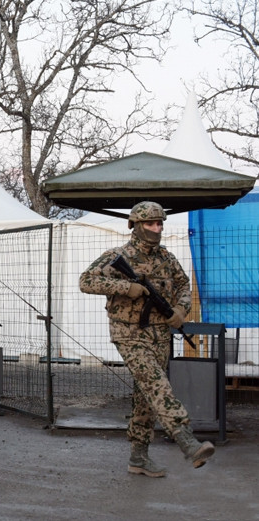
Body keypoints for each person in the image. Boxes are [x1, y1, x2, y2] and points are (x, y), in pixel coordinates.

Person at [80, 201, 215, 477]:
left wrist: (180, 310)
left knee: (145, 396)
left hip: (159, 335)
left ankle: (138, 457)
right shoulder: (119, 256)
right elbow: (86, 280)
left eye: (160, 223)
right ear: (136, 225)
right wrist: (125, 287)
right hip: (129, 333)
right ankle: (186, 440)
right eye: (151, 223)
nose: (157, 228)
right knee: (156, 384)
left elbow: (183, 285)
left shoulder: (166, 257)